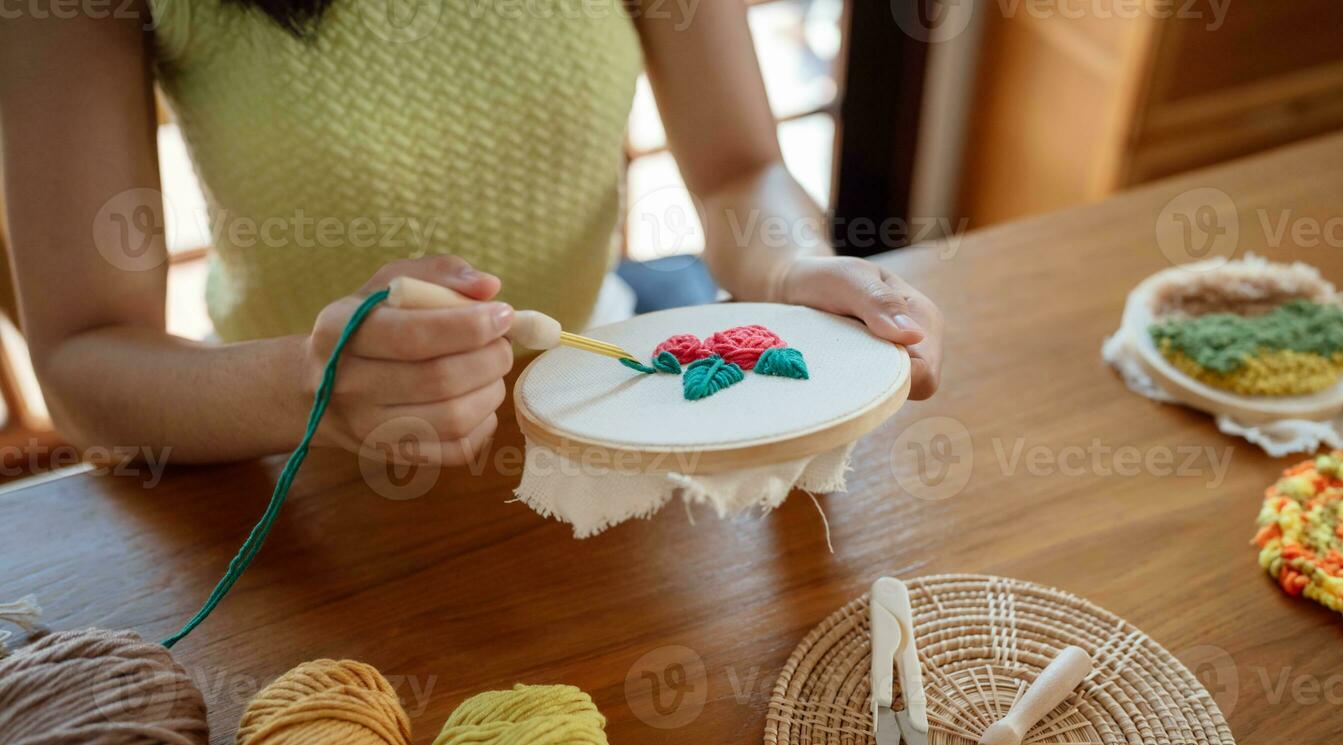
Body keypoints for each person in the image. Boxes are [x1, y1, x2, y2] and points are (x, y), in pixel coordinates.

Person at [0, 0, 944, 467]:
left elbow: (741, 169)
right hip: (285, 459)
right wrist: (313, 386)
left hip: (597, 403)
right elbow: (85, 362)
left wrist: (791, 265)